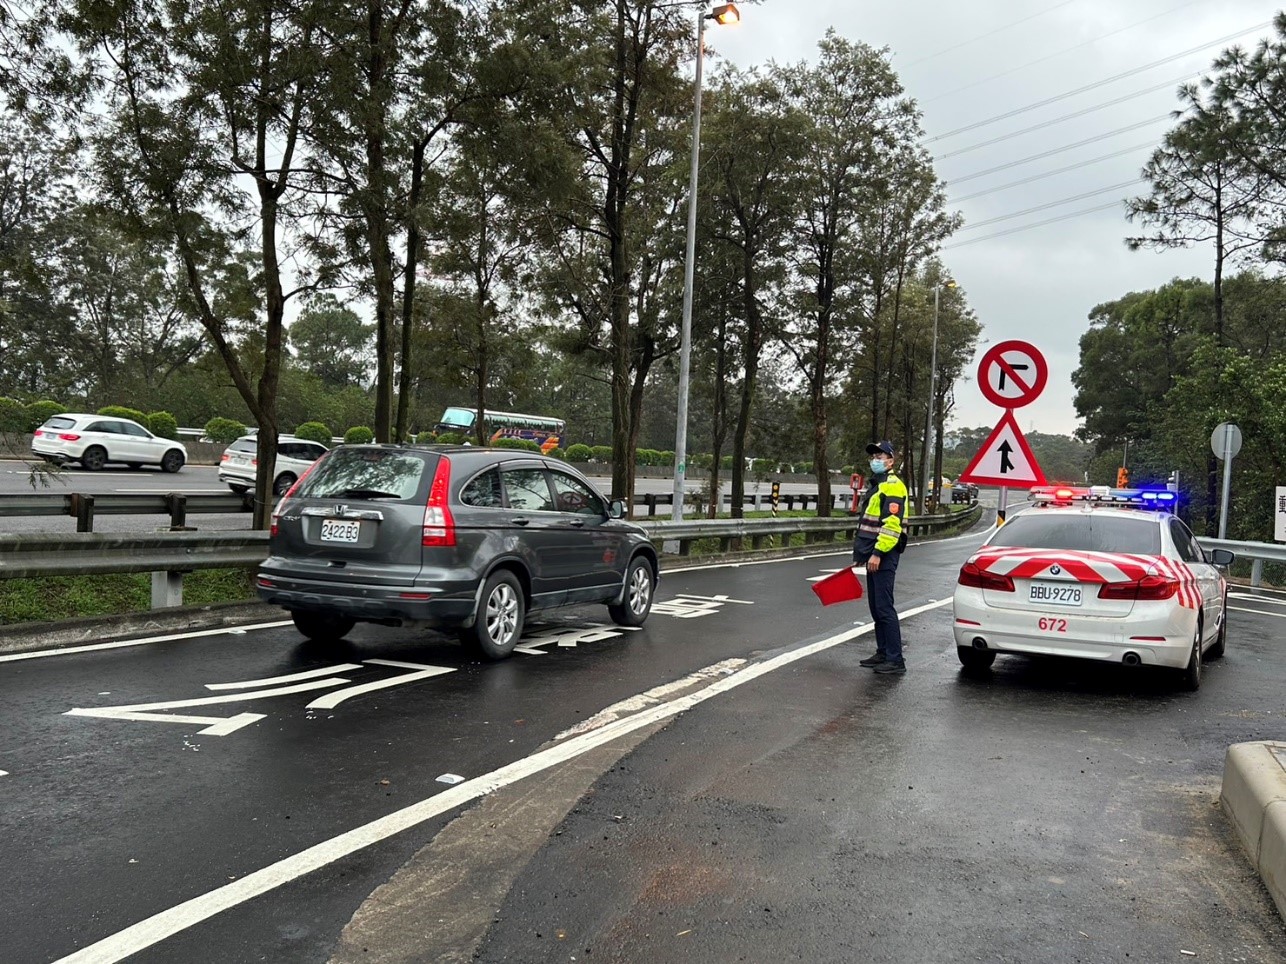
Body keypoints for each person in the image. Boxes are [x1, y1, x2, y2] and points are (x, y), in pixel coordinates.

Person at [853, 440, 909, 675]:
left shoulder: (893, 486)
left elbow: (891, 525)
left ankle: (895, 659)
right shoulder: (879, 484)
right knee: (876, 607)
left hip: (885, 553)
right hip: (874, 553)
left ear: (891, 460)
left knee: (885, 607)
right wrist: (863, 555)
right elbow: (869, 524)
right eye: (873, 456)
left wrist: (877, 553)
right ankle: (883, 651)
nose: (875, 460)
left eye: (880, 456)